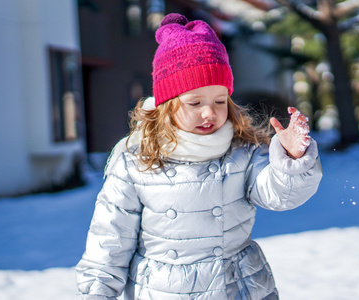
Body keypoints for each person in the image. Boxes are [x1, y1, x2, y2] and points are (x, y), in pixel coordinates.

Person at [76, 13, 323, 300]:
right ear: (166, 105)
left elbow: (279, 194)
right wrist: (97, 293)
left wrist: (292, 159)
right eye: (195, 102)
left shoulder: (241, 150)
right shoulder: (136, 160)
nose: (210, 112)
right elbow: (110, 238)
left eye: (220, 101)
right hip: (165, 292)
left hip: (239, 289)